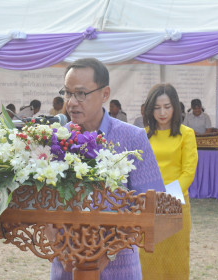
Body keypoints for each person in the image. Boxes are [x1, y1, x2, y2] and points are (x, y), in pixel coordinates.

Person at [52, 58, 165, 280]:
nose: (72, 102)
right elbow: (44, 202)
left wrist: (105, 255)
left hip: (118, 265)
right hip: (66, 263)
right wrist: (61, 247)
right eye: (67, 93)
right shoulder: (57, 139)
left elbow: (152, 205)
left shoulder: (133, 138)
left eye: (81, 94)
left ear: (105, 94)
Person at [139, 84, 198, 279]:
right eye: (157, 107)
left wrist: (165, 199)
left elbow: (188, 172)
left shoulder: (186, 133)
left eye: (167, 106)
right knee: (148, 260)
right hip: (148, 205)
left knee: (176, 261)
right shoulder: (143, 135)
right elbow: (139, 171)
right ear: (149, 109)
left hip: (176, 205)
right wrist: (150, 200)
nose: (162, 112)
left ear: (175, 107)